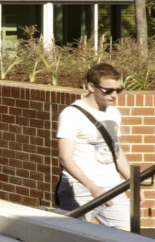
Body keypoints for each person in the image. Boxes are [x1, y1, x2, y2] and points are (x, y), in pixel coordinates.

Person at [55, 61, 130, 225]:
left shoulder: (113, 113)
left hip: (112, 186)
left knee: (127, 241)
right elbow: (65, 158)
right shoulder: (71, 114)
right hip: (80, 188)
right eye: (108, 90)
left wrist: (133, 182)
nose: (114, 95)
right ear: (91, 87)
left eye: (118, 90)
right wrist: (92, 187)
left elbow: (116, 150)